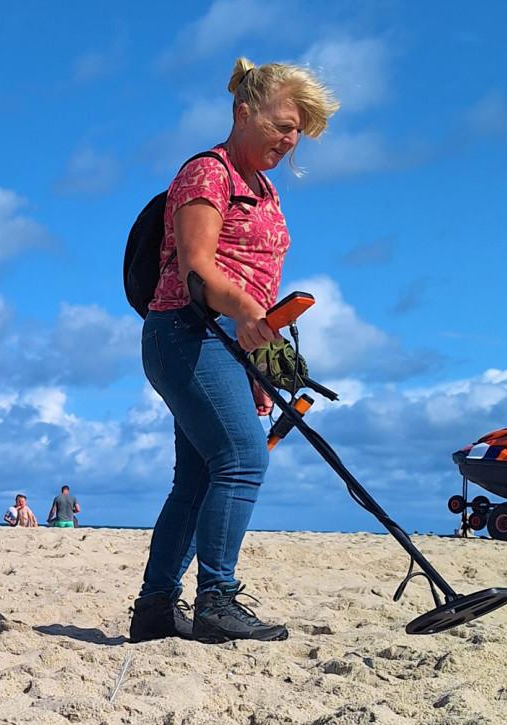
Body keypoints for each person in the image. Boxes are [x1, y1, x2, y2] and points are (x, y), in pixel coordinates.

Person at [129, 58, 339, 644]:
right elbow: (197, 270)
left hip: (229, 345)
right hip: (183, 332)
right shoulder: (207, 173)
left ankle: (154, 609)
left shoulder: (265, 190)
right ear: (242, 113)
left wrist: (258, 348)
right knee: (244, 460)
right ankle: (217, 599)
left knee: (197, 479)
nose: (290, 139)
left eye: (297, 131)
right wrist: (247, 311)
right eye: (281, 124)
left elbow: (256, 280)